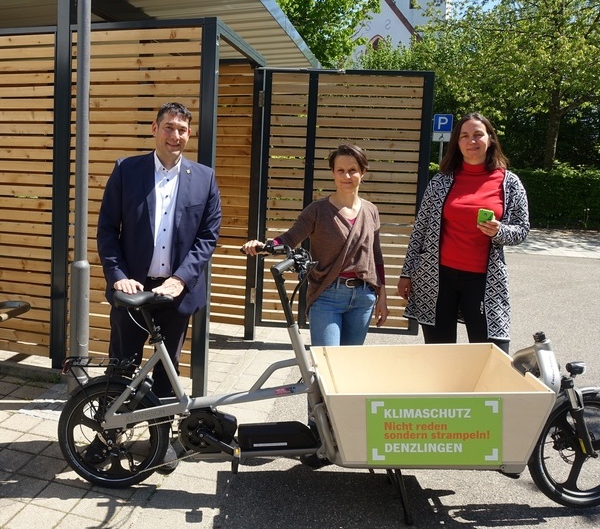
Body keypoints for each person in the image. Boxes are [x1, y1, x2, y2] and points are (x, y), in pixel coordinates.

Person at [97, 102, 222, 399]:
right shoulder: (126, 170)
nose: (174, 135)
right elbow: (107, 229)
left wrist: (180, 280)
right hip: (132, 289)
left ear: (189, 134)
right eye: (168, 127)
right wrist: (118, 275)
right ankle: (108, 437)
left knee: (168, 368)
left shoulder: (204, 178)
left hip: (176, 292)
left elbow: (207, 237)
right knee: (122, 366)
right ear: (155, 129)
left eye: (181, 130)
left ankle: (160, 436)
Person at [397, 112, 529, 353]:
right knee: (440, 356)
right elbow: (421, 230)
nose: (472, 141)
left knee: (492, 353)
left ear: (490, 139)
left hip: (483, 281)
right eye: (464, 136)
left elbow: (521, 229)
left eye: (478, 135)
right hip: (436, 278)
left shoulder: (509, 183)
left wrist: (500, 231)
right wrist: (407, 273)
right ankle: (444, 392)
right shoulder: (440, 181)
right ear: (457, 143)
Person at [242, 143, 389, 346]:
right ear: (333, 174)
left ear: (362, 172)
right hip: (328, 296)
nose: (346, 176)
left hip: (364, 298)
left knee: (349, 366)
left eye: (352, 170)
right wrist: (263, 247)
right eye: (341, 171)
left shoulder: (371, 210)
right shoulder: (317, 210)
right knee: (327, 363)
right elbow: (289, 239)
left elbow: (376, 256)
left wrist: (382, 296)